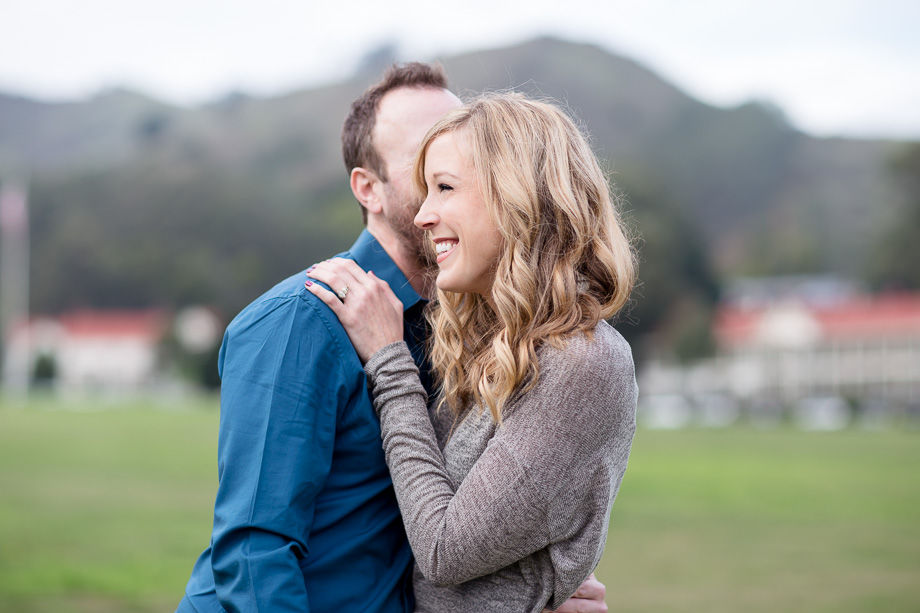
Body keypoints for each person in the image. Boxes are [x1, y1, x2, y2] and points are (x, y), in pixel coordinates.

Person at [176, 64, 609, 612]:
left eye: (458, 161)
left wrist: (533, 599)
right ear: (368, 189)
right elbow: (254, 556)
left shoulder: (474, 330)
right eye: (424, 162)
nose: (442, 177)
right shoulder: (299, 322)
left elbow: (458, 525)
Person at [305, 92, 638, 613]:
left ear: (516, 195)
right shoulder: (491, 344)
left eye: (444, 188)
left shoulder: (584, 364)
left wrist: (390, 361)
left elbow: (442, 552)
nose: (423, 215)